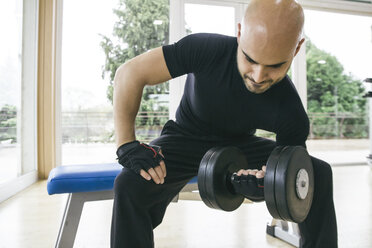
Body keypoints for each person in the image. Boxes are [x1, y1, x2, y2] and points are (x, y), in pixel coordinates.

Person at [111, 0, 338, 247]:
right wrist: (126, 145)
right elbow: (129, 73)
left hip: (241, 148)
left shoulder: (290, 112)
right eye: (250, 59)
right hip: (185, 139)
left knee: (317, 174)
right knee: (129, 184)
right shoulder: (205, 50)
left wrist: (266, 182)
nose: (258, 76)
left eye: (275, 66)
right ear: (240, 34)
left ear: (296, 50)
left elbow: (294, 175)